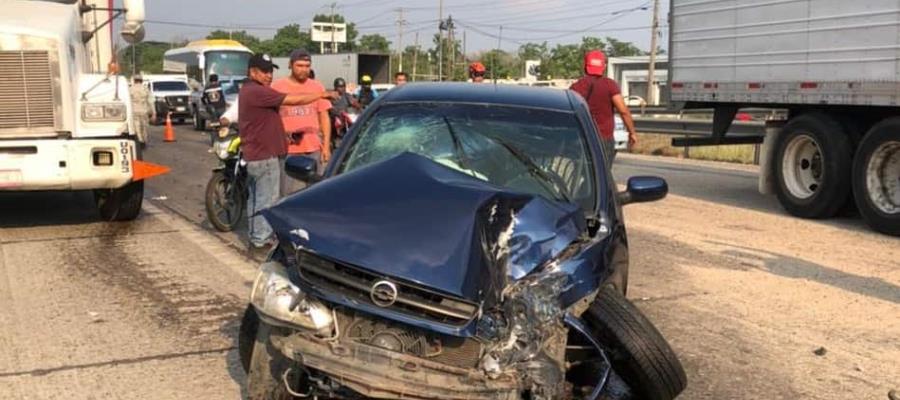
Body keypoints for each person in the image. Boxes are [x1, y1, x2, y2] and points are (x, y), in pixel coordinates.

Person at [238, 53, 336, 251]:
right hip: (265, 155)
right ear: (252, 72)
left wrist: (325, 146)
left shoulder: (254, 90)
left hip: (285, 151)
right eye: (264, 71)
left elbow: (323, 117)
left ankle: (260, 236)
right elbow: (292, 100)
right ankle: (260, 239)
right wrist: (322, 95)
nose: (268, 75)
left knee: (264, 197)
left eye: (270, 71)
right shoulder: (258, 91)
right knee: (270, 198)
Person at [271, 49, 333, 195]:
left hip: (313, 149)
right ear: (290, 65)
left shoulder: (317, 87)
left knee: (315, 193)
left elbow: (324, 117)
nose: (304, 69)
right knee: (287, 194)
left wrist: (326, 147)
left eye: (307, 66)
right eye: (299, 65)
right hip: (288, 151)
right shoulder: (277, 87)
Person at [569, 50, 637, 166]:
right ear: (603, 67)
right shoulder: (610, 85)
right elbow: (623, 111)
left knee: (584, 172)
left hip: (582, 138)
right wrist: (632, 132)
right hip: (603, 139)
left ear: (585, 66)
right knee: (602, 175)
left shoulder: (576, 87)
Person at [128, 74, 155, 148]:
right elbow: (150, 101)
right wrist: (154, 113)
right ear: (141, 80)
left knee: (136, 127)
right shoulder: (145, 89)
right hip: (144, 111)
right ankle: (144, 140)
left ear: (134, 81)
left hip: (134, 111)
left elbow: (128, 102)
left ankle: (140, 140)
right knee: (144, 127)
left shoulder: (130, 89)